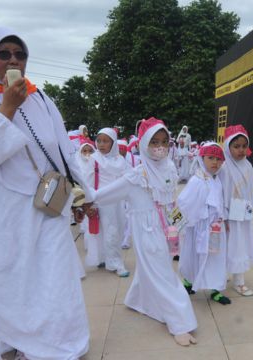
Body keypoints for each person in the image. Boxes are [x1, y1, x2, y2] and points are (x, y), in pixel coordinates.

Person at [0, 26, 92, 359]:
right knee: (11, 281)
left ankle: (60, 345)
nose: (13, 60)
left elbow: (64, 151)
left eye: (20, 53)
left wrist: (83, 195)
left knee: (56, 279)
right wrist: (7, 109)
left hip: (48, 205)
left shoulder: (42, 98)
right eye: (4, 54)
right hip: (3, 214)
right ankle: (15, 341)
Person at [94, 117, 198, 346]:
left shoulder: (169, 166)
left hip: (168, 226)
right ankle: (180, 321)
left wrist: (178, 222)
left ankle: (136, 299)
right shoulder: (136, 175)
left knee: (152, 268)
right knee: (163, 273)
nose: (160, 147)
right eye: (154, 142)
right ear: (143, 144)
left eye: (164, 141)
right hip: (147, 229)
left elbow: (171, 197)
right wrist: (87, 200)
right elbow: (106, 194)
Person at [178, 142, 231, 305]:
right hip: (198, 228)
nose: (215, 162)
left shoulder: (217, 180)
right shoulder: (197, 181)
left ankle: (215, 289)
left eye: (218, 159)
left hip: (215, 228)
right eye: (210, 158)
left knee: (216, 257)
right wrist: (176, 224)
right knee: (194, 255)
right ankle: (188, 282)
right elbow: (183, 202)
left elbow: (221, 203)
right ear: (202, 159)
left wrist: (225, 219)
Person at [219, 125, 253, 297]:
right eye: (236, 146)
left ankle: (239, 280)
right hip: (227, 213)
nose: (241, 150)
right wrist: (223, 214)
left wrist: (250, 208)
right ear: (228, 146)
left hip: (243, 212)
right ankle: (222, 275)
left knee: (240, 244)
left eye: (244, 146)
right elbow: (221, 190)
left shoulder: (248, 166)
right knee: (226, 245)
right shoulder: (223, 167)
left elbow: (251, 190)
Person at [84, 128, 130, 277]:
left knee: (118, 229)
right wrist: (88, 202)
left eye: (105, 141)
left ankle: (106, 258)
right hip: (101, 200)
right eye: (99, 141)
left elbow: (128, 178)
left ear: (113, 143)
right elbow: (87, 181)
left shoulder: (120, 160)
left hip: (117, 201)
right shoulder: (94, 159)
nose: (101, 144)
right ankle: (115, 263)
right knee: (109, 231)